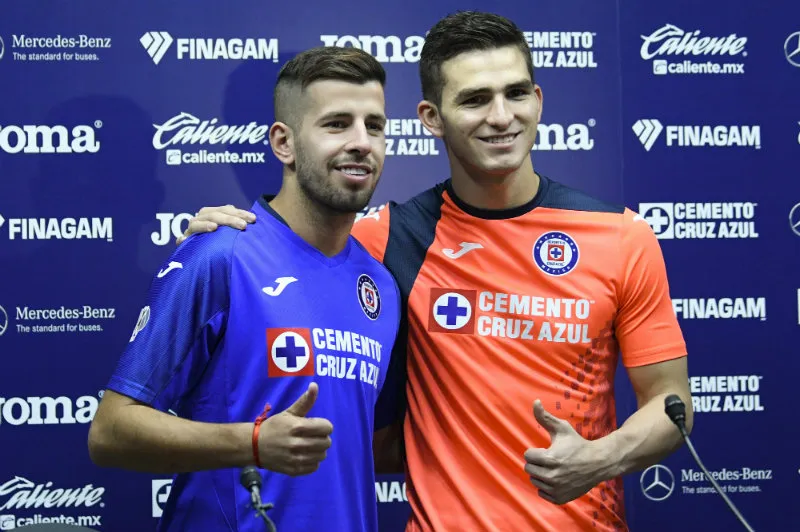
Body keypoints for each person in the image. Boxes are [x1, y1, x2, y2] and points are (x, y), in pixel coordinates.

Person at [177, 11, 693, 532]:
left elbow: (671, 404)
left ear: (538, 101)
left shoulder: (621, 235)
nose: (501, 116)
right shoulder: (382, 239)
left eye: (516, 93)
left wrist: (604, 457)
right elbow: (284, 247)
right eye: (474, 99)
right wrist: (229, 230)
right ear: (432, 116)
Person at [87, 46, 402, 532]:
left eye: (374, 125)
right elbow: (109, 432)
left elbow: (370, 446)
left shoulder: (379, 286)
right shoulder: (219, 254)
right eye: (337, 124)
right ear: (284, 143)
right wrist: (252, 443)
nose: (362, 142)